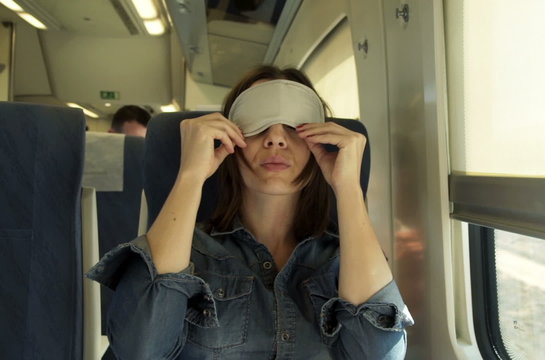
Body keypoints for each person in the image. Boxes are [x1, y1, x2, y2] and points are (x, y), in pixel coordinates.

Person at [88, 66, 413, 359]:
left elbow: (378, 354)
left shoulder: (347, 262)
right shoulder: (188, 254)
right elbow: (140, 349)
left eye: (294, 125)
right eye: (258, 123)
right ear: (230, 137)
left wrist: (348, 188)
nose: (275, 139)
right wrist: (191, 175)